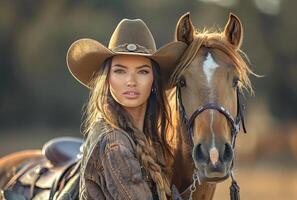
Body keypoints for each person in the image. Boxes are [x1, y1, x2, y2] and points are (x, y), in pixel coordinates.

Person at [66, 19, 186, 200]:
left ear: (154, 81)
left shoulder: (149, 140)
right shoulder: (115, 144)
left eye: (142, 71)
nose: (131, 81)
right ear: (107, 79)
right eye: (120, 71)